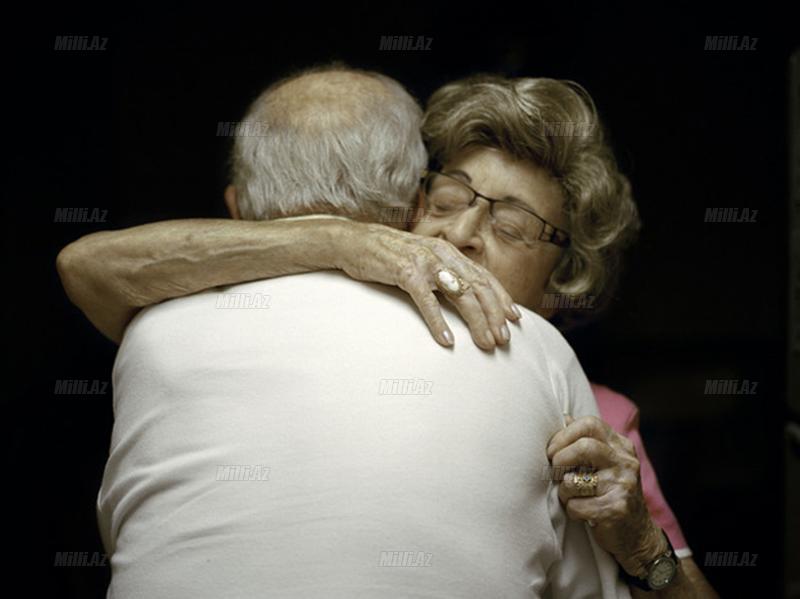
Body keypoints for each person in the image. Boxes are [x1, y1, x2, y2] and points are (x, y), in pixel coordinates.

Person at [57, 67, 717, 596]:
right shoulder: (316, 314)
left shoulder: (590, 414)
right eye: (449, 198)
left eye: (512, 228)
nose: (460, 236)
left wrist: (640, 543)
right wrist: (336, 237)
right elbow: (89, 264)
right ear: (406, 211)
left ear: (559, 283)